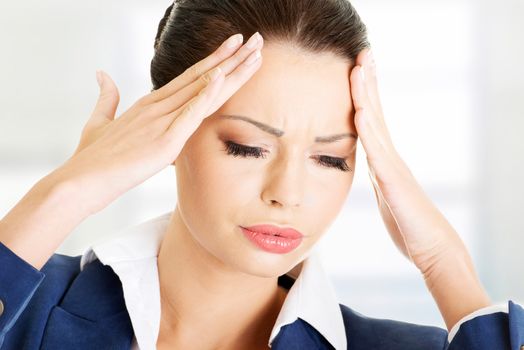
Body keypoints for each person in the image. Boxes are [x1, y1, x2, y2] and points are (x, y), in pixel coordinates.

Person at [0, 0, 522, 349]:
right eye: (248, 148)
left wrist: (442, 261)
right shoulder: (29, 310)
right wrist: (67, 191)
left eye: (331, 158)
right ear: (166, 133)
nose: (288, 194)